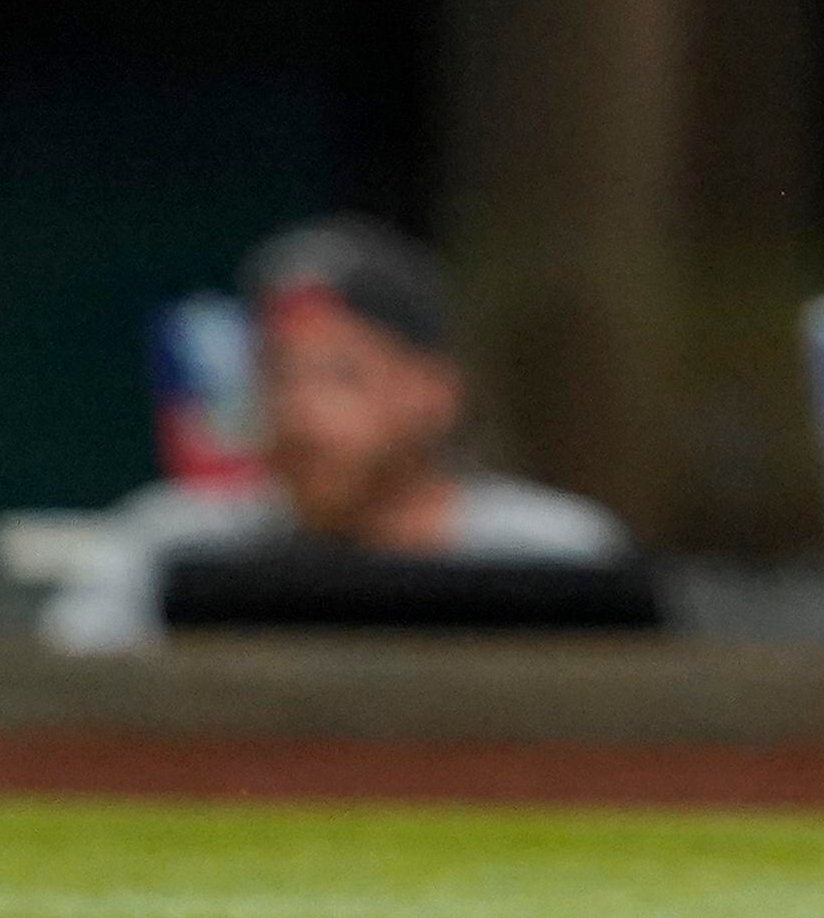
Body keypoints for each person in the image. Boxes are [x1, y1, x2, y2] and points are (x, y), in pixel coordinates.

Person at [39, 218, 628, 654]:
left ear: (434, 392)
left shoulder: (552, 553)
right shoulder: (172, 543)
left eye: (341, 375)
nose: (300, 411)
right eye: (277, 373)